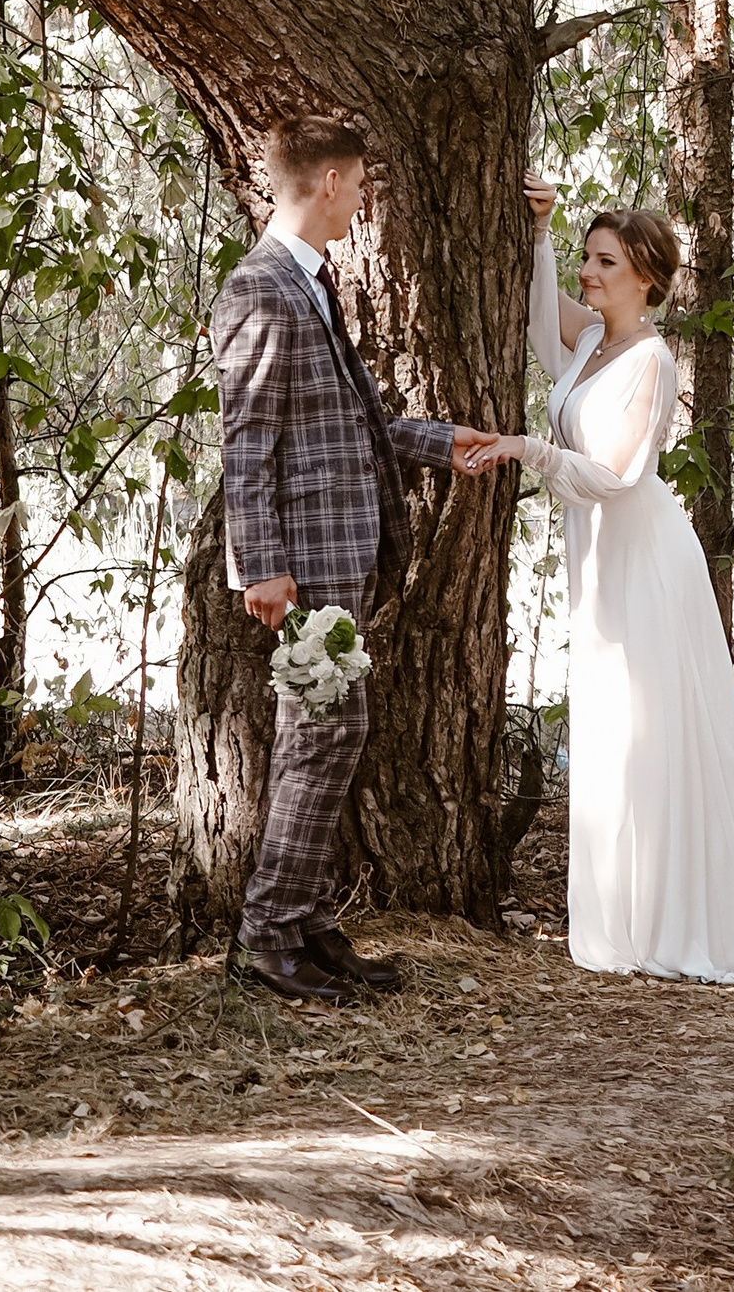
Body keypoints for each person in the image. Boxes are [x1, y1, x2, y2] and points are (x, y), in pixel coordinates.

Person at [453, 182, 734, 989]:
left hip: (645, 555)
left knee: (650, 731)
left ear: (646, 279)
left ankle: (678, 919)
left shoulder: (651, 359)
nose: (589, 274)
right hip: (599, 559)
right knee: (612, 728)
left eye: (605, 262)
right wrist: (542, 230)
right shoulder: (589, 338)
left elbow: (620, 473)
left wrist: (526, 448)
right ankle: (623, 917)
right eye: (589, 260)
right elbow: (535, 319)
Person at [215, 110, 481, 1004]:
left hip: (339, 549)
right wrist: (260, 564)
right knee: (320, 733)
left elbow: (348, 423)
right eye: (359, 182)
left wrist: (442, 441)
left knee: (338, 731)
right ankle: (267, 937)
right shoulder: (260, 287)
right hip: (301, 560)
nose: (362, 199)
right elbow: (247, 440)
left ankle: (310, 924)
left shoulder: (312, 283)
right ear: (329, 181)